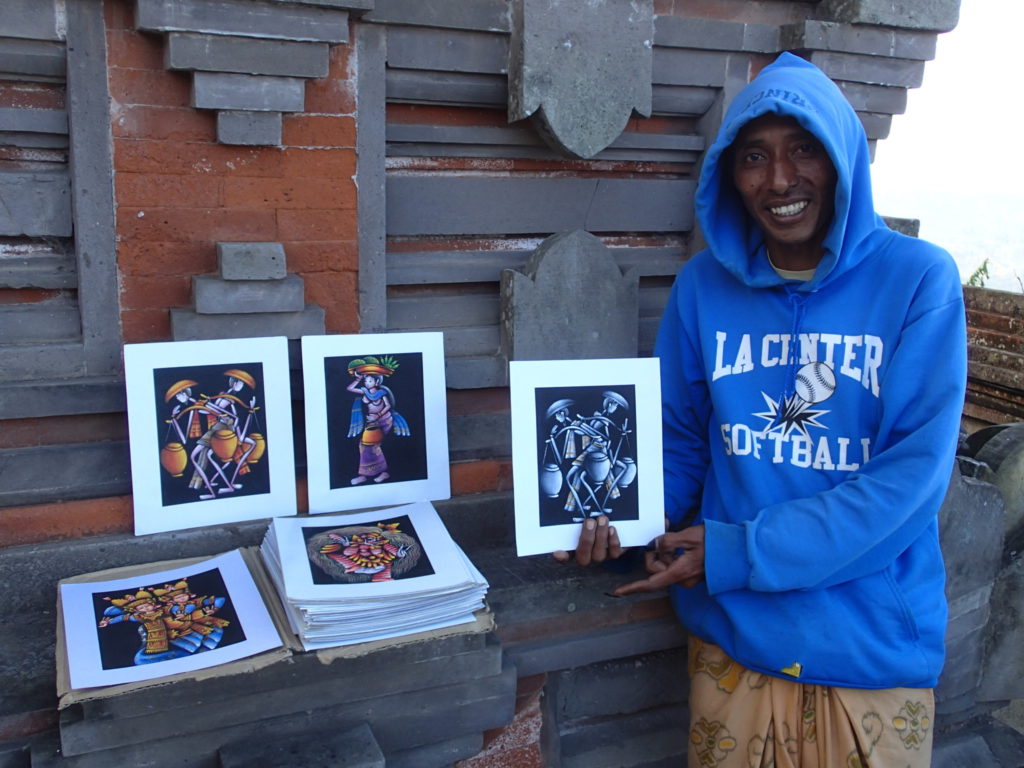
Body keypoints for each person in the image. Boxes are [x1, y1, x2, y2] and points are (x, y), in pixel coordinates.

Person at [557, 52, 966, 766]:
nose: (779, 179)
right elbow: (681, 445)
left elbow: (910, 483)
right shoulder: (701, 291)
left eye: (803, 148)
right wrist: (619, 520)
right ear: (729, 176)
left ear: (841, 157)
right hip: (734, 646)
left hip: (867, 651)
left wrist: (742, 550)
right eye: (755, 156)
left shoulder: (917, 283)